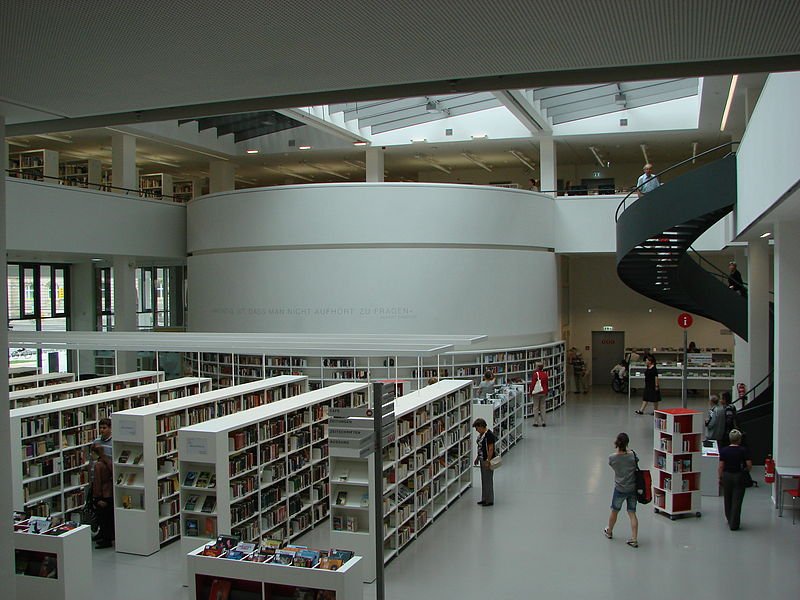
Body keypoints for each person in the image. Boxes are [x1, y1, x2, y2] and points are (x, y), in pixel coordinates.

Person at [604, 432, 639, 548]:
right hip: (632, 487)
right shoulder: (632, 455)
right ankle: (634, 539)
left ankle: (609, 531)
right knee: (632, 513)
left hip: (620, 488)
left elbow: (612, 465)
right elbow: (636, 463)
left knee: (614, 511)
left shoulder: (612, 458)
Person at [718, 429, 752, 530]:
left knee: (727, 499)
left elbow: (720, 466)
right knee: (737, 501)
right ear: (739, 439)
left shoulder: (724, 450)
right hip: (739, 476)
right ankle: (734, 524)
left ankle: (729, 519)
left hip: (727, 476)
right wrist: (745, 471)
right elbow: (749, 465)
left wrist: (720, 477)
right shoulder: (743, 450)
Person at [90, 442, 114, 548]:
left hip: (102, 495)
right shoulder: (106, 463)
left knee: (103, 518)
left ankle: (105, 539)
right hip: (109, 494)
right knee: (107, 518)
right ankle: (106, 536)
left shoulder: (98, 465)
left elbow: (97, 482)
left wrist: (96, 498)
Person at [472, 418, 496, 507]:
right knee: (484, 480)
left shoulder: (489, 435)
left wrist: (488, 461)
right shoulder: (482, 435)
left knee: (488, 480)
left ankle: (489, 500)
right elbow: (480, 448)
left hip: (487, 460)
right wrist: (477, 458)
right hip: (482, 459)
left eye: (477, 428)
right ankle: (484, 498)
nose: (476, 430)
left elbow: (491, 449)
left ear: (481, 426)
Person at [529, 362, 550, 427]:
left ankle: (536, 422)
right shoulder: (545, 374)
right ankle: (543, 421)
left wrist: (531, 392)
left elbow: (533, 384)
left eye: (535, 366)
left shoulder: (535, 374)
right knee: (543, 407)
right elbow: (546, 384)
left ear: (538, 367)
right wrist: (546, 392)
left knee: (536, 407)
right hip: (543, 392)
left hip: (537, 393)